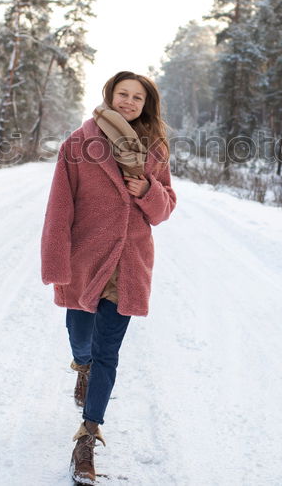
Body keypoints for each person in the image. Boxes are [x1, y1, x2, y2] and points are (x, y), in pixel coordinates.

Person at [41, 71, 177, 485]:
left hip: (130, 263)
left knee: (108, 352)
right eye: (124, 94)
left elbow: (166, 207)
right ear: (110, 96)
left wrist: (148, 190)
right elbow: (59, 208)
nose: (130, 102)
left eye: (138, 97)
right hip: (86, 259)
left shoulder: (155, 150)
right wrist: (55, 263)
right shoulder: (78, 144)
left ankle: (88, 434)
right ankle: (80, 365)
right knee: (80, 338)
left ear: (146, 104)